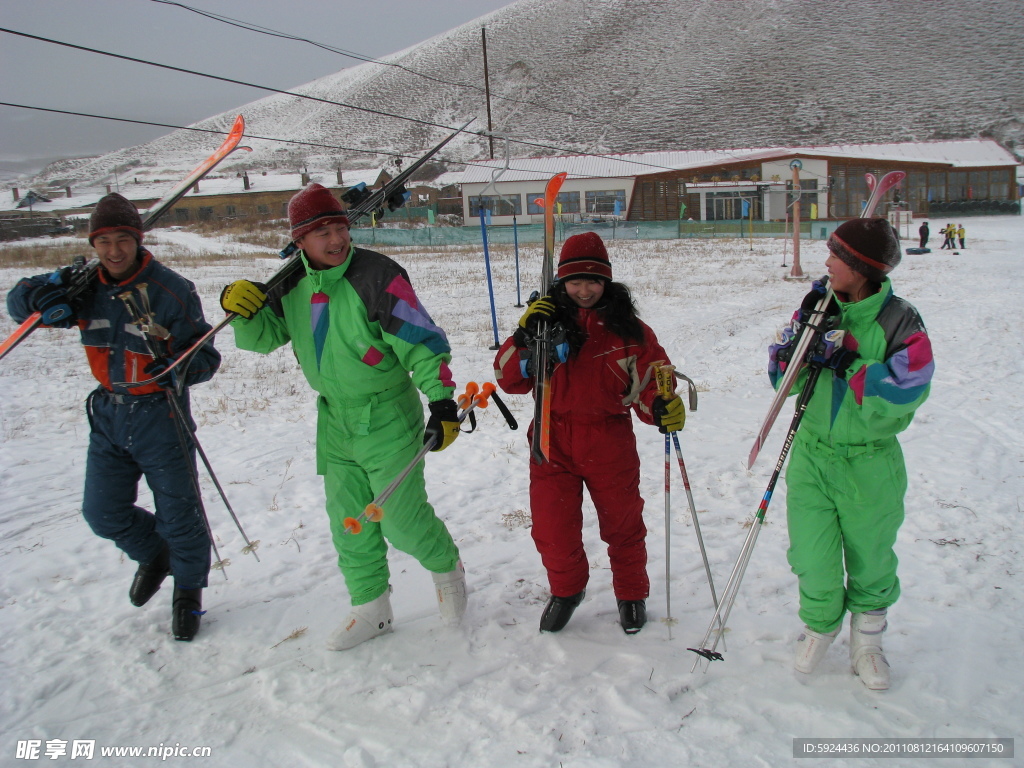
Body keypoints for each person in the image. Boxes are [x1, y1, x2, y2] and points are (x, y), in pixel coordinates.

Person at [219, 183, 466, 650]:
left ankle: (447, 570)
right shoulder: (290, 283)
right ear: (298, 243)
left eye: (340, 228)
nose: (335, 241)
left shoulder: (377, 275)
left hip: (388, 413)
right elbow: (263, 338)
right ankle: (370, 606)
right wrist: (240, 307)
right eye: (321, 233)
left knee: (399, 518)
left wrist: (442, 401)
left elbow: (422, 340)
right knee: (349, 519)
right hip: (334, 420)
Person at [6, 193, 221, 641]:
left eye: (123, 239)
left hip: (160, 415)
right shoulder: (82, 286)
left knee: (179, 512)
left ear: (138, 240)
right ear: (94, 243)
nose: (115, 250)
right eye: (104, 241)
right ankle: (154, 552)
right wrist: (39, 293)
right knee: (101, 511)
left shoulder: (171, 290)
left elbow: (207, 357)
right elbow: (18, 304)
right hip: (108, 413)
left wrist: (179, 366)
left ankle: (188, 591)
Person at [767, 218, 933, 690]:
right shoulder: (820, 310)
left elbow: (907, 392)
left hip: (869, 461)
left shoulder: (901, 320)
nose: (826, 262)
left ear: (859, 269)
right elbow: (784, 383)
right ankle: (820, 626)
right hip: (812, 455)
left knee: (872, 556)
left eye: (835, 256)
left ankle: (868, 641)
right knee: (811, 554)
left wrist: (848, 364)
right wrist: (796, 346)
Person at [492, 232, 683, 635]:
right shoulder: (544, 325)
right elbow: (508, 379)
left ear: (607, 282)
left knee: (623, 525)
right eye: (574, 281)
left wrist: (661, 405)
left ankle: (631, 594)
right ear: (561, 283)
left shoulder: (630, 331)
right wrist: (524, 334)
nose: (584, 290)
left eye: (593, 281)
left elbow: (650, 384)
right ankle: (566, 590)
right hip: (551, 439)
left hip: (608, 439)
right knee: (551, 528)